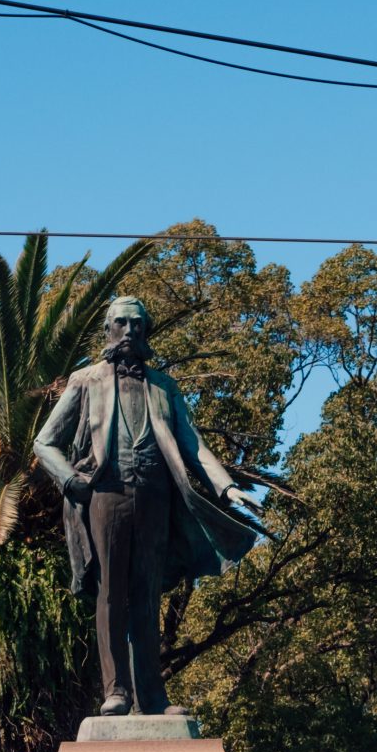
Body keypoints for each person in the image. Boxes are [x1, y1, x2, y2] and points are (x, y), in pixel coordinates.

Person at [33, 295, 263, 715]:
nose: (130, 331)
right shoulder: (85, 380)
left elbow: (194, 445)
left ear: (146, 331)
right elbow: (44, 442)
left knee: (147, 597)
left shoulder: (164, 387)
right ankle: (116, 691)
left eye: (137, 324)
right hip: (106, 496)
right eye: (121, 322)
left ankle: (153, 700)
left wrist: (226, 489)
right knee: (110, 593)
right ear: (107, 329)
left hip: (156, 499)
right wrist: (69, 479)